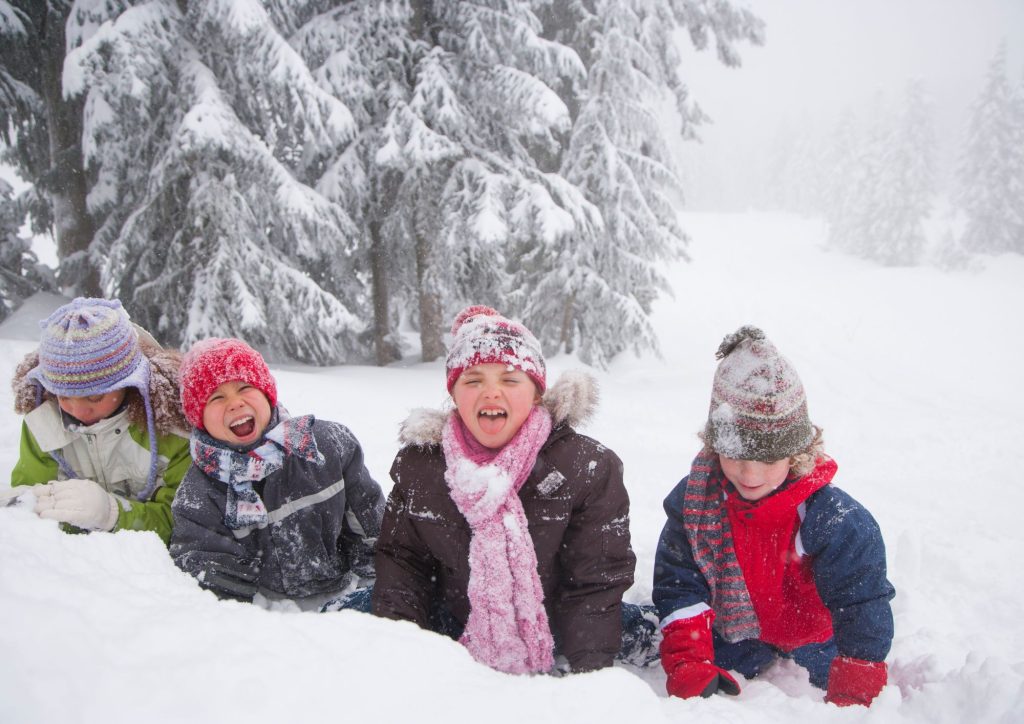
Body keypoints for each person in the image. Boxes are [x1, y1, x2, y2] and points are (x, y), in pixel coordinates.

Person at [373, 305, 652, 675]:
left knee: (647, 632)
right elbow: (403, 565)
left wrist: (590, 677)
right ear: (454, 394)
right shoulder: (420, 467)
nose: (491, 393)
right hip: (453, 619)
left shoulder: (586, 467)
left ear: (537, 393)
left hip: (559, 624)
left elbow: (595, 581)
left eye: (509, 380)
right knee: (344, 622)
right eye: (473, 381)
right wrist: (400, 655)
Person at [653, 325, 895, 706]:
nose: (751, 475)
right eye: (736, 457)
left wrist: (854, 688)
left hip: (816, 642)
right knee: (649, 632)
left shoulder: (834, 519)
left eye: (768, 459)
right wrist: (689, 661)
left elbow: (862, 604)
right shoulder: (697, 502)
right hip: (734, 636)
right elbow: (680, 585)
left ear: (796, 451)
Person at [169, 338, 385, 609]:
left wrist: (376, 594)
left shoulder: (327, 446)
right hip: (269, 622)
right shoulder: (199, 494)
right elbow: (214, 586)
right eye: (216, 397)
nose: (235, 403)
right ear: (199, 418)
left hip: (345, 599)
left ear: (267, 394)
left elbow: (372, 529)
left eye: (244, 387)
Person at [9, 297, 191, 544]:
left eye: (94, 397)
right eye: (65, 395)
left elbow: (186, 525)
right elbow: (34, 511)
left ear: (131, 383)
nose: (79, 410)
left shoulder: (171, 429)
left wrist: (113, 514)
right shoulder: (43, 424)